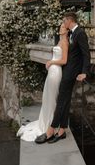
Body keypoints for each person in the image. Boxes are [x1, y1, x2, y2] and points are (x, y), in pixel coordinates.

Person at [35, 11, 91, 144]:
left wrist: (84, 72)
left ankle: (51, 129)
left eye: (64, 21)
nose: (63, 24)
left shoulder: (80, 33)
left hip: (72, 72)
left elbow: (86, 54)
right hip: (66, 71)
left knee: (61, 100)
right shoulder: (70, 34)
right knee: (64, 100)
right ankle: (62, 131)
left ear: (70, 20)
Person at [17, 23, 69, 142]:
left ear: (66, 31)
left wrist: (52, 62)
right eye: (60, 27)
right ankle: (48, 123)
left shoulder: (65, 43)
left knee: (52, 98)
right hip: (52, 71)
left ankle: (51, 125)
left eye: (63, 27)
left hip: (56, 72)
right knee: (48, 97)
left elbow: (64, 60)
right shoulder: (60, 41)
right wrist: (51, 62)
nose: (60, 29)